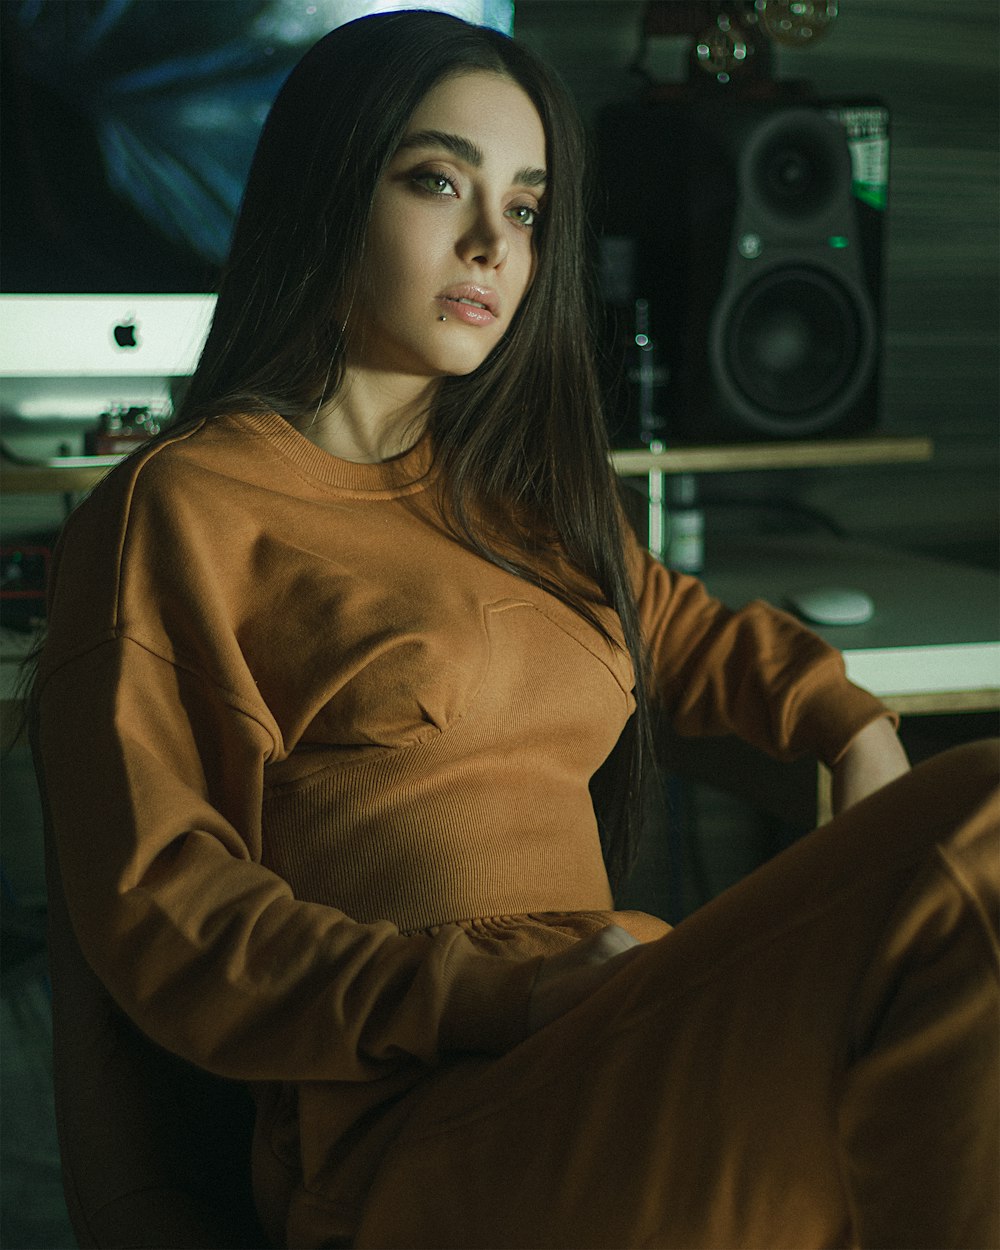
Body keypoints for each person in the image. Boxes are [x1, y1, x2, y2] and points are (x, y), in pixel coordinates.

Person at [33, 10, 998, 1249]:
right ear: (330, 191)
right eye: (438, 180)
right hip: (412, 1131)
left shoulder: (520, 500)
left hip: (605, 1035)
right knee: (975, 833)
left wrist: (849, 726)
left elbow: (688, 632)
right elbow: (167, 909)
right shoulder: (184, 505)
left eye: (528, 208)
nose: (493, 241)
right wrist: (508, 991)